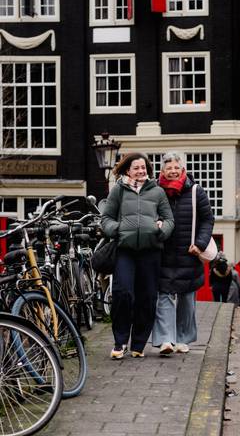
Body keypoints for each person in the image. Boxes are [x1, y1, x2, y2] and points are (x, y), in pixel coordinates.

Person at [101, 152, 174, 359]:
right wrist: (117, 229)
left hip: (151, 251)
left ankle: (139, 344)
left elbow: (169, 220)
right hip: (125, 251)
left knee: (147, 297)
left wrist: (161, 230)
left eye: (144, 168)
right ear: (127, 170)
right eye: (136, 168)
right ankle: (120, 342)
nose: (141, 171)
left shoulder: (158, 192)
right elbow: (105, 218)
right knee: (123, 293)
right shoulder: (118, 191)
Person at [152, 151, 214, 356]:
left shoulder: (196, 191)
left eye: (176, 168)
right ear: (162, 171)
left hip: (189, 254)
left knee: (187, 299)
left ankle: (183, 339)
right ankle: (165, 340)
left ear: (183, 170)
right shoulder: (154, 191)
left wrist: (200, 243)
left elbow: (207, 220)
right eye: (168, 168)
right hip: (163, 253)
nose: (172, 171)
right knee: (164, 297)